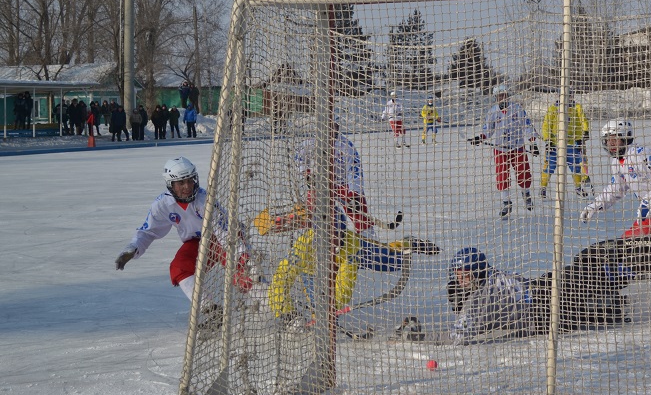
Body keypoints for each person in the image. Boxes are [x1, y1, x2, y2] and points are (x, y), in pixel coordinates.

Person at [261, 128, 438, 322]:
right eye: (329, 234)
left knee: (385, 259)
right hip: (320, 189)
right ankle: (317, 316)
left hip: (342, 187)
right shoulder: (306, 244)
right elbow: (280, 280)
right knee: (313, 289)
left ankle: (399, 242)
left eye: (336, 233)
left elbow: (355, 171)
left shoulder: (348, 243)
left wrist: (354, 193)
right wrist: (286, 314)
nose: (332, 238)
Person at [446, 240, 651, 345]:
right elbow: (460, 333)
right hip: (545, 313)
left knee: (592, 266)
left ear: (478, 270)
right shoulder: (482, 293)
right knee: (611, 309)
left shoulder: (484, 292)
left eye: (464, 272)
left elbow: (458, 334)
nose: (460, 278)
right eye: (458, 274)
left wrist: (415, 334)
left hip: (545, 293)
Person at [114, 157, 253, 325]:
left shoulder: (203, 200)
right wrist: (133, 248)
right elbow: (148, 231)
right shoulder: (162, 205)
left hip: (224, 238)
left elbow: (223, 232)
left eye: (190, 180)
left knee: (243, 276)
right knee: (179, 267)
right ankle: (212, 311)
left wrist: (240, 256)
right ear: (170, 185)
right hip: (197, 242)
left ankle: (279, 307)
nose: (187, 187)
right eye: (181, 183)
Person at [579, 119, 651, 257]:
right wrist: (594, 206)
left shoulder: (641, 154)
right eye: (607, 140)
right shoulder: (616, 163)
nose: (611, 144)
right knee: (630, 242)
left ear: (626, 138)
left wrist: (647, 203)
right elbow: (615, 189)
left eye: (615, 139)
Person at [468, 84, 541, 218]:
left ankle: (526, 193)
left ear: (507, 96)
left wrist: (533, 143)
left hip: (517, 147)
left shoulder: (517, 109)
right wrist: (480, 138)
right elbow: (487, 130)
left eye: (503, 95)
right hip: (500, 149)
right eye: (499, 96)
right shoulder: (493, 111)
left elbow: (527, 126)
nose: (501, 98)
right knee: (502, 176)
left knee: (523, 173)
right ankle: (506, 203)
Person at [540, 96, 591, 198]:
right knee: (549, 166)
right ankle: (543, 188)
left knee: (576, 166)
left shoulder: (577, 107)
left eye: (570, 95)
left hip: (572, 144)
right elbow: (546, 125)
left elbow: (583, 120)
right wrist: (548, 140)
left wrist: (585, 131)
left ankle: (578, 188)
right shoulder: (553, 109)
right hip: (555, 145)